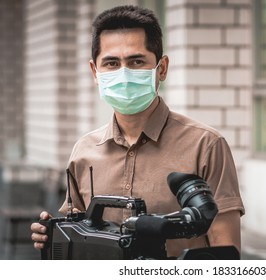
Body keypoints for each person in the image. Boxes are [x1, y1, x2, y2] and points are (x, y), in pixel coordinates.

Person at [30, 5, 244, 259]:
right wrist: (52, 237)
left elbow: (226, 255)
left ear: (161, 68)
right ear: (95, 72)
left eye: (136, 61)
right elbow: (75, 237)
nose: (124, 73)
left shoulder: (205, 145)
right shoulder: (84, 151)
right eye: (111, 63)